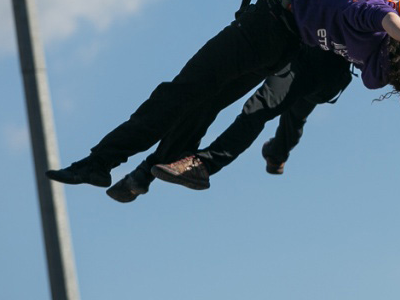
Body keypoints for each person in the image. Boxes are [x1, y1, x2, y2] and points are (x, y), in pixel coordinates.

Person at [46, 0, 400, 189]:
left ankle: (100, 162)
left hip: (266, 27)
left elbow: (381, 17)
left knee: (180, 93)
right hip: (278, 43)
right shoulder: (373, 61)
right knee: (200, 101)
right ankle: (148, 166)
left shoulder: (374, 14)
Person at [150, 13, 400, 191]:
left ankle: (213, 163)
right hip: (317, 45)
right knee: (286, 111)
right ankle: (274, 153)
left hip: (329, 66)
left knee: (282, 107)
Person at [105, 45, 351, 202]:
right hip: (324, 76)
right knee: (294, 116)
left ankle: (198, 167)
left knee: (260, 107)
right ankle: (276, 155)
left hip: (309, 64)